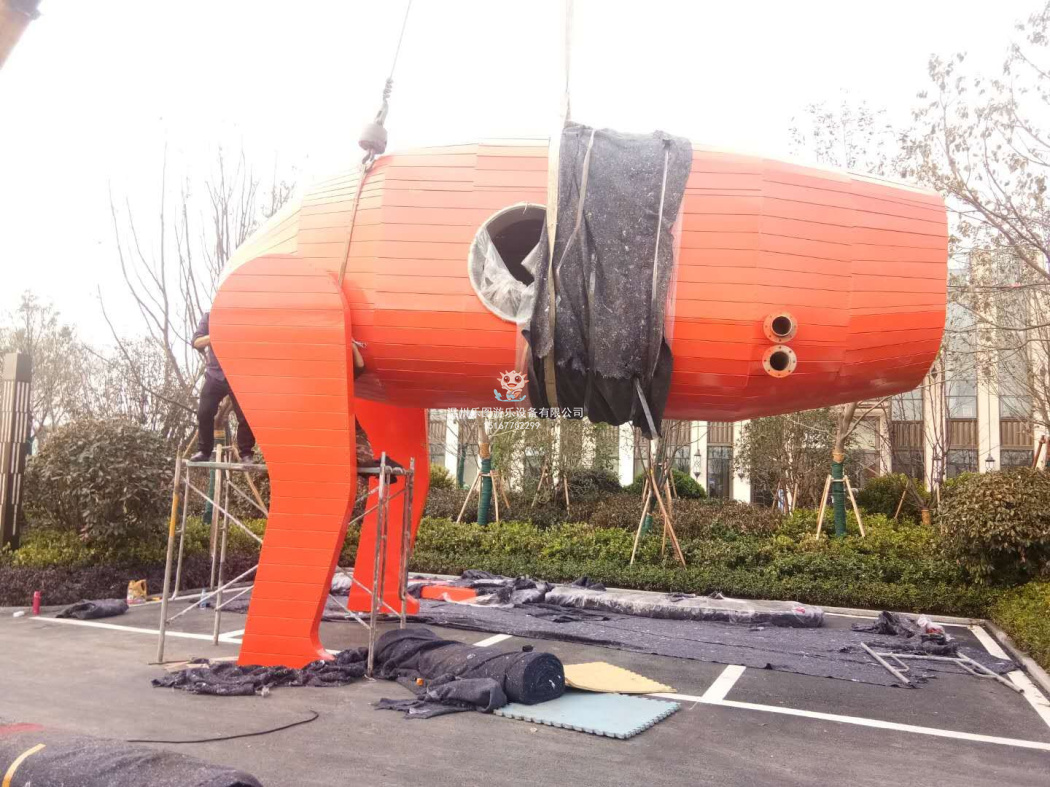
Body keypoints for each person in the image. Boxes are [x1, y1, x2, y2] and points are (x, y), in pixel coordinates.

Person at [189, 311, 257, 463]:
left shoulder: (244, 316)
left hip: (238, 375)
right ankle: (204, 451)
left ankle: (246, 453)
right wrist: (217, 335)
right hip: (215, 374)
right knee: (204, 412)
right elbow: (196, 342)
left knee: (246, 414)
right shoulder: (209, 317)